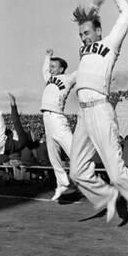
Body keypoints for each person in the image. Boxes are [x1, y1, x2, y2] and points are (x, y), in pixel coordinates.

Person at [69, 0, 128, 224]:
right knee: (76, 171)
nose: (84, 38)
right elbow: (88, 23)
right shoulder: (83, 49)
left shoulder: (110, 44)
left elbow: (126, 15)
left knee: (116, 173)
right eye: (81, 35)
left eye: (87, 33)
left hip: (99, 110)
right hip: (83, 115)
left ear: (99, 31)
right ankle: (106, 196)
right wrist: (94, 5)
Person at [41, 49, 77, 200]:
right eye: (51, 66)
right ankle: (61, 183)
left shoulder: (67, 79)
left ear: (61, 68)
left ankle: (93, 178)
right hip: (46, 119)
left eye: (53, 66)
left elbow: (81, 70)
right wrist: (47, 56)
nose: (50, 69)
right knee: (53, 155)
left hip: (57, 118)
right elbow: (44, 68)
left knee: (74, 152)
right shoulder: (49, 78)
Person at [0, 93, 29, 159]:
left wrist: (13, 104)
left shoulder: (23, 138)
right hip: (0, 148)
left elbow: (16, 122)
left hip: (1, 143)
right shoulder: (19, 143)